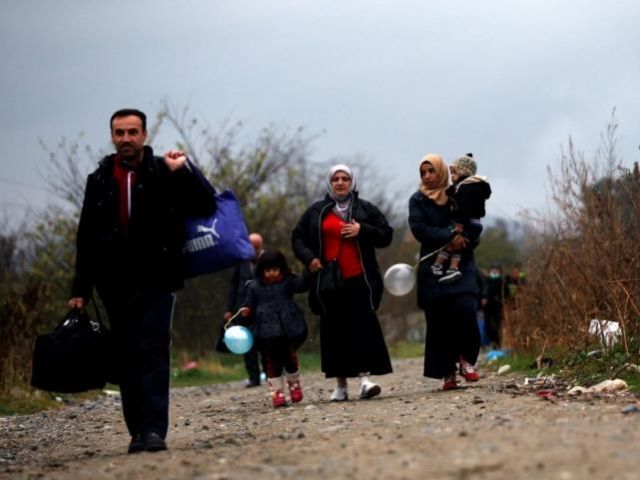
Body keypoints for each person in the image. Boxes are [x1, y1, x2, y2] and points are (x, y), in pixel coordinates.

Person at [68, 108, 216, 454]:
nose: (126, 139)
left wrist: (187, 171)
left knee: (152, 351)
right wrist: (80, 288)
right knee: (126, 356)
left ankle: (153, 431)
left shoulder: (165, 171)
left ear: (145, 135)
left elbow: (205, 204)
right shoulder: (100, 178)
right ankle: (136, 431)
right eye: (119, 133)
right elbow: (85, 236)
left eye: (132, 132)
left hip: (157, 279)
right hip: (112, 282)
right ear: (112, 137)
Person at [292, 164, 393, 401]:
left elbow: (387, 234)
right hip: (328, 282)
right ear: (330, 183)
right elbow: (297, 238)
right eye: (335, 178)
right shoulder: (316, 211)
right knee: (334, 333)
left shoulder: (365, 209)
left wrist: (362, 229)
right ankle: (340, 386)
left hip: (360, 279)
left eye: (345, 178)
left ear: (352, 182)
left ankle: (365, 381)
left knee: (363, 329)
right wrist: (310, 259)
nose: (340, 182)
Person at [408, 153, 481, 391]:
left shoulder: (459, 194)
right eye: (423, 172)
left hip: (462, 262)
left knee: (465, 310)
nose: (428, 176)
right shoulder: (417, 200)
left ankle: (466, 359)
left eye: (431, 171)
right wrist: (449, 237)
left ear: (441, 172)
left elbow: (474, 222)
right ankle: (447, 372)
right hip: (434, 266)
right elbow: (420, 228)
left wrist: (465, 240)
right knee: (440, 321)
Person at [239, 250, 309, 408]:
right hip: (266, 333)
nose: (272, 274)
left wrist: (309, 271)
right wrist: (245, 312)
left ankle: (294, 386)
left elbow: (302, 284)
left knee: (290, 359)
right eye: (268, 270)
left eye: (275, 270)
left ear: (281, 269)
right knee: (272, 363)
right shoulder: (254, 287)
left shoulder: (288, 281)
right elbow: (248, 305)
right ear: (262, 270)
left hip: (288, 329)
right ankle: (277, 393)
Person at [431, 153, 491, 284]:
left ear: (463, 171)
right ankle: (451, 268)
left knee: (453, 244)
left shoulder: (467, 189)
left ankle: (441, 265)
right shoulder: (470, 187)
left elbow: (464, 208)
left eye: (453, 173)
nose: (451, 177)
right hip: (474, 225)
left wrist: (459, 224)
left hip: (466, 223)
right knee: (459, 247)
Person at [223, 232, 266, 387]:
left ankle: (270, 374)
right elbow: (233, 286)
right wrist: (229, 309)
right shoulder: (241, 260)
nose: (254, 249)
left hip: (264, 306)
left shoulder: (269, 260)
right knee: (247, 342)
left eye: (256, 246)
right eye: (251, 246)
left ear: (261, 246)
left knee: (267, 340)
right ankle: (254, 377)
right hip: (243, 308)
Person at [481, 263, 510, 348]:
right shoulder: (486, 281)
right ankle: (490, 343)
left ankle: (497, 344)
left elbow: (507, 295)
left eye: (496, 270)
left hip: (498, 308)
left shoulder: (502, 282)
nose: (494, 271)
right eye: (493, 270)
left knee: (497, 326)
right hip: (488, 308)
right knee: (488, 326)